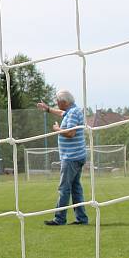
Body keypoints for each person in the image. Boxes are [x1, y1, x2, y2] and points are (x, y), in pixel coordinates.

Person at [37, 89, 89, 226]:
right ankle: (81, 218)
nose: (56, 103)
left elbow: (71, 133)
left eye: (58, 101)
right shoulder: (73, 111)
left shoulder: (72, 113)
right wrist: (48, 109)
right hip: (76, 156)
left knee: (64, 188)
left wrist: (57, 129)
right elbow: (61, 113)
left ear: (65, 102)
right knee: (75, 188)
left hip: (71, 157)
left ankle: (59, 219)